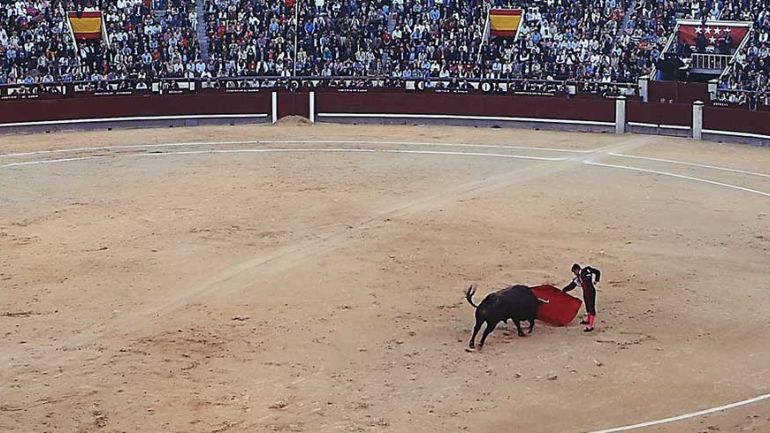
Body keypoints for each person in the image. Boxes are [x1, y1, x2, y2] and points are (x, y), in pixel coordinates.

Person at [562, 263, 601, 332]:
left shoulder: (586, 270)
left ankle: (590, 326)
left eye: (574, 272)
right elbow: (572, 285)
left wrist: (596, 280)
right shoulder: (579, 276)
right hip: (586, 291)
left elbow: (597, 271)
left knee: (591, 306)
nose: (574, 273)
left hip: (590, 291)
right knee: (587, 305)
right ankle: (588, 320)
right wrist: (564, 290)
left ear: (577, 269)